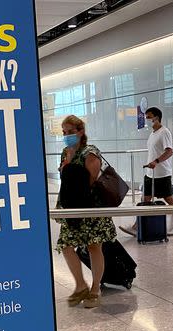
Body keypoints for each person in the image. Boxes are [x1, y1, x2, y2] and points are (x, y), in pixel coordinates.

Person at [55, 115, 117, 309]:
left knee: (93, 246)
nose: (67, 136)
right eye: (64, 133)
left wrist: (70, 167)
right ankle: (80, 285)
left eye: (70, 132)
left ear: (80, 132)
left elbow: (89, 182)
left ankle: (95, 288)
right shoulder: (66, 151)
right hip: (71, 207)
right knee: (65, 246)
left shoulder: (91, 152)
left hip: (90, 207)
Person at [121, 107, 173, 236]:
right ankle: (136, 226)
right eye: (146, 117)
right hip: (150, 173)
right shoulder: (153, 134)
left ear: (157, 117)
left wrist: (156, 161)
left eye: (149, 117)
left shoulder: (164, 132)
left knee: (169, 199)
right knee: (146, 199)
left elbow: (169, 151)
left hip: (162, 173)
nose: (147, 119)